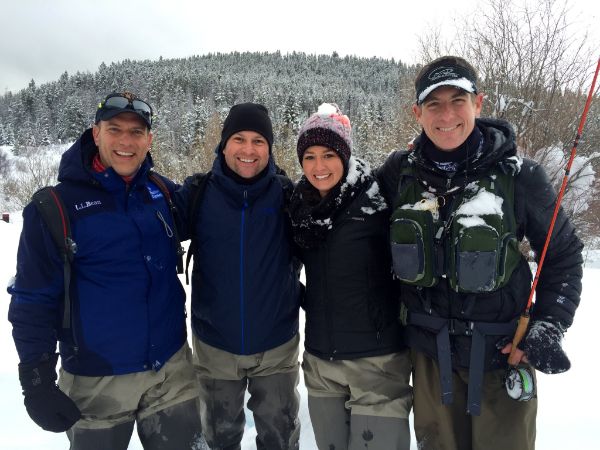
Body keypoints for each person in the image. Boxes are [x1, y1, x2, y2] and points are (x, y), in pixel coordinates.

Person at [376, 56, 584, 450]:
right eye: (434, 104)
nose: (447, 115)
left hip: (502, 358)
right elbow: (357, 233)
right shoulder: (398, 174)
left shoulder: (520, 177)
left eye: (458, 100)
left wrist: (547, 326)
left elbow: (564, 255)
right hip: (429, 362)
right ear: (417, 112)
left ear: (479, 103)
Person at [7, 92, 205, 450]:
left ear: (149, 139)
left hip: (171, 372)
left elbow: (213, 204)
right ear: (96, 133)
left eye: (136, 132)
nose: (126, 142)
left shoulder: (160, 192)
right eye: (115, 130)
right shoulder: (54, 207)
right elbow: (32, 301)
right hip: (96, 381)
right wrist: (35, 381)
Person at [175, 102, 302, 450]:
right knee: (219, 440)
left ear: (270, 147)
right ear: (224, 144)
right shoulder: (197, 195)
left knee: (280, 440)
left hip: (276, 347)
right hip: (215, 348)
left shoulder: (289, 196)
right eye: (239, 139)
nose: (248, 150)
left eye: (259, 141)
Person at [288, 103, 413, 450]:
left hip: (377, 362)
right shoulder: (299, 208)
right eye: (309, 156)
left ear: (344, 155)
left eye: (328, 154)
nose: (319, 166)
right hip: (320, 362)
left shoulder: (376, 197)